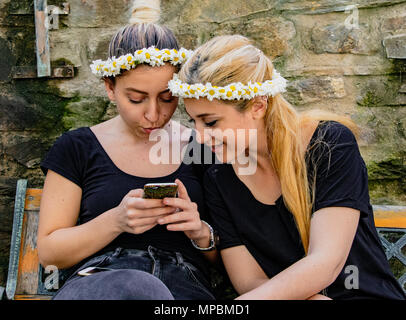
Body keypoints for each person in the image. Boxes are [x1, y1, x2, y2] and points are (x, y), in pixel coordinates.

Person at [168, 34, 406, 300]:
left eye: (210, 123)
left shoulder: (328, 145)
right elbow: (247, 279)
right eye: (194, 122)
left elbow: (326, 262)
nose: (199, 137)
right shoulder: (218, 176)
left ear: (258, 106)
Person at [37, 0, 217, 300]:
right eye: (136, 99)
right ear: (110, 88)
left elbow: (231, 255)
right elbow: (50, 255)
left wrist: (199, 232)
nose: (153, 114)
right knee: (138, 289)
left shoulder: (202, 147)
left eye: (167, 98)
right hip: (101, 282)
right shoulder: (77, 147)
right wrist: (116, 221)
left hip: (182, 284)